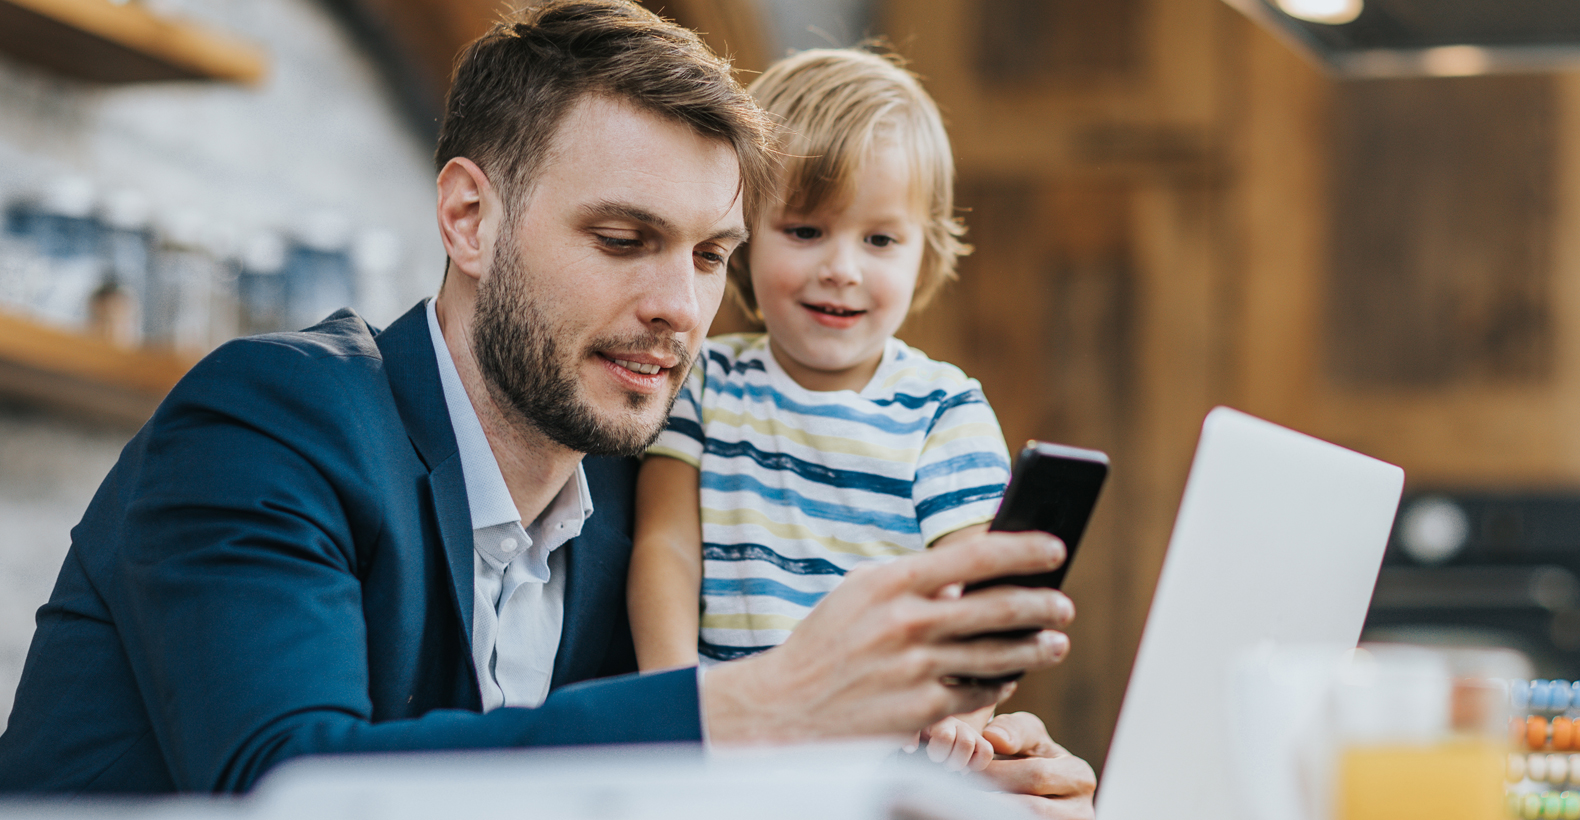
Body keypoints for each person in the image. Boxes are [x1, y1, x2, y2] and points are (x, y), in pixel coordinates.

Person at [0, 4, 1095, 815]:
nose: (680, 308)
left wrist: (931, 782)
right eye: (623, 240)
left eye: (712, 256)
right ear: (470, 218)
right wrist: (768, 707)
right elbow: (287, 785)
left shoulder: (638, 503)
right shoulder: (267, 423)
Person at [627, 48, 1010, 774]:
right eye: (805, 231)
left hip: (885, 753)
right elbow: (666, 548)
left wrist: (963, 705)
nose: (843, 267)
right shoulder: (705, 383)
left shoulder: (943, 412)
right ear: (740, 243)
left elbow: (979, 591)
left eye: (880, 239)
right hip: (732, 744)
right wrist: (673, 704)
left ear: (924, 255)